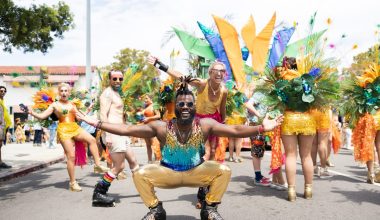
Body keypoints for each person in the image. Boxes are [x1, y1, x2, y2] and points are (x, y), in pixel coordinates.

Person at [77, 78, 283, 220]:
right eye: (181, 104)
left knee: (223, 171)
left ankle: (210, 209)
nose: (185, 107)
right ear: (175, 106)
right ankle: (156, 210)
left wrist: (262, 127)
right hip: (168, 174)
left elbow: (235, 129)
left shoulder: (205, 124)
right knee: (139, 173)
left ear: (195, 107)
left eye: (189, 104)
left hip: (197, 174)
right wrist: (97, 124)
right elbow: (127, 128)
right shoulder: (160, 127)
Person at [25, 83, 108, 191]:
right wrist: (31, 112)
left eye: (66, 91)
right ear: (59, 93)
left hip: (74, 127)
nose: (64, 93)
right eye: (62, 91)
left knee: (91, 140)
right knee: (71, 156)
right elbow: (42, 116)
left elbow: (79, 118)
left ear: (69, 93)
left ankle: (97, 165)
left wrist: (89, 114)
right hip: (63, 130)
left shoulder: (72, 104)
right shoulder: (54, 105)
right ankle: (73, 183)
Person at [92, 70, 139, 207]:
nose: (118, 81)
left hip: (121, 132)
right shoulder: (107, 94)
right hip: (114, 133)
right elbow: (103, 115)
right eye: (115, 78)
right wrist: (109, 135)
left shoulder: (116, 93)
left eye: (120, 78)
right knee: (119, 166)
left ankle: (144, 189)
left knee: (134, 162)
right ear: (109, 79)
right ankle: (99, 193)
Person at [311, 108, 333, 178]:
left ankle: (313, 167)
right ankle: (323, 169)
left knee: (313, 144)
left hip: (312, 112)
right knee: (322, 143)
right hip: (323, 111)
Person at [141, 95, 161, 163]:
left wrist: (149, 118)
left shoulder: (154, 105)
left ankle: (156, 161)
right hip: (146, 128)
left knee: (154, 144)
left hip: (153, 128)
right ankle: (149, 161)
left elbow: (158, 115)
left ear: (151, 98)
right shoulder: (145, 107)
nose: (145, 100)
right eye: (144, 99)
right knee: (148, 145)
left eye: (146, 98)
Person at [0, 86, 12, 169]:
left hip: (3, 126)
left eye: (4, 91)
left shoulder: (2, 102)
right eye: (1, 91)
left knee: (0, 145)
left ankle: (0, 162)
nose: (3, 92)